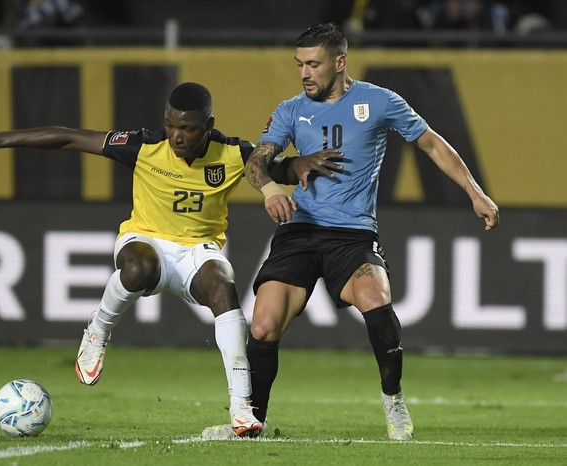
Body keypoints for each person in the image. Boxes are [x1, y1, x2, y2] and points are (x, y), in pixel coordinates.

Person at [202, 22, 499, 441]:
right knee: (263, 326)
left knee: (376, 299)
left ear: (339, 62)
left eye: (314, 64)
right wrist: (270, 188)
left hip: (353, 235)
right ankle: (251, 421)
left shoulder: (379, 102)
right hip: (300, 231)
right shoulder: (289, 109)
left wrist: (475, 192)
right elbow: (258, 160)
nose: (305, 73)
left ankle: (392, 398)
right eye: (299, 64)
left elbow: (431, 143)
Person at [0, 82, 266, 437]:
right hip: (145, 239)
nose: (176, 136)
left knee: (224, 288)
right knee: (139, 267)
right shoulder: (145, 145)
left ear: (209, 125)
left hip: (197, 251)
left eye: (187, 128)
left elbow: (280, 169)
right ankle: (98, 330)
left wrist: (304, 166)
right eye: (170, 125)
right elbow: (69, 137)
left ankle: (241, 409)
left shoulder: (235, 153)